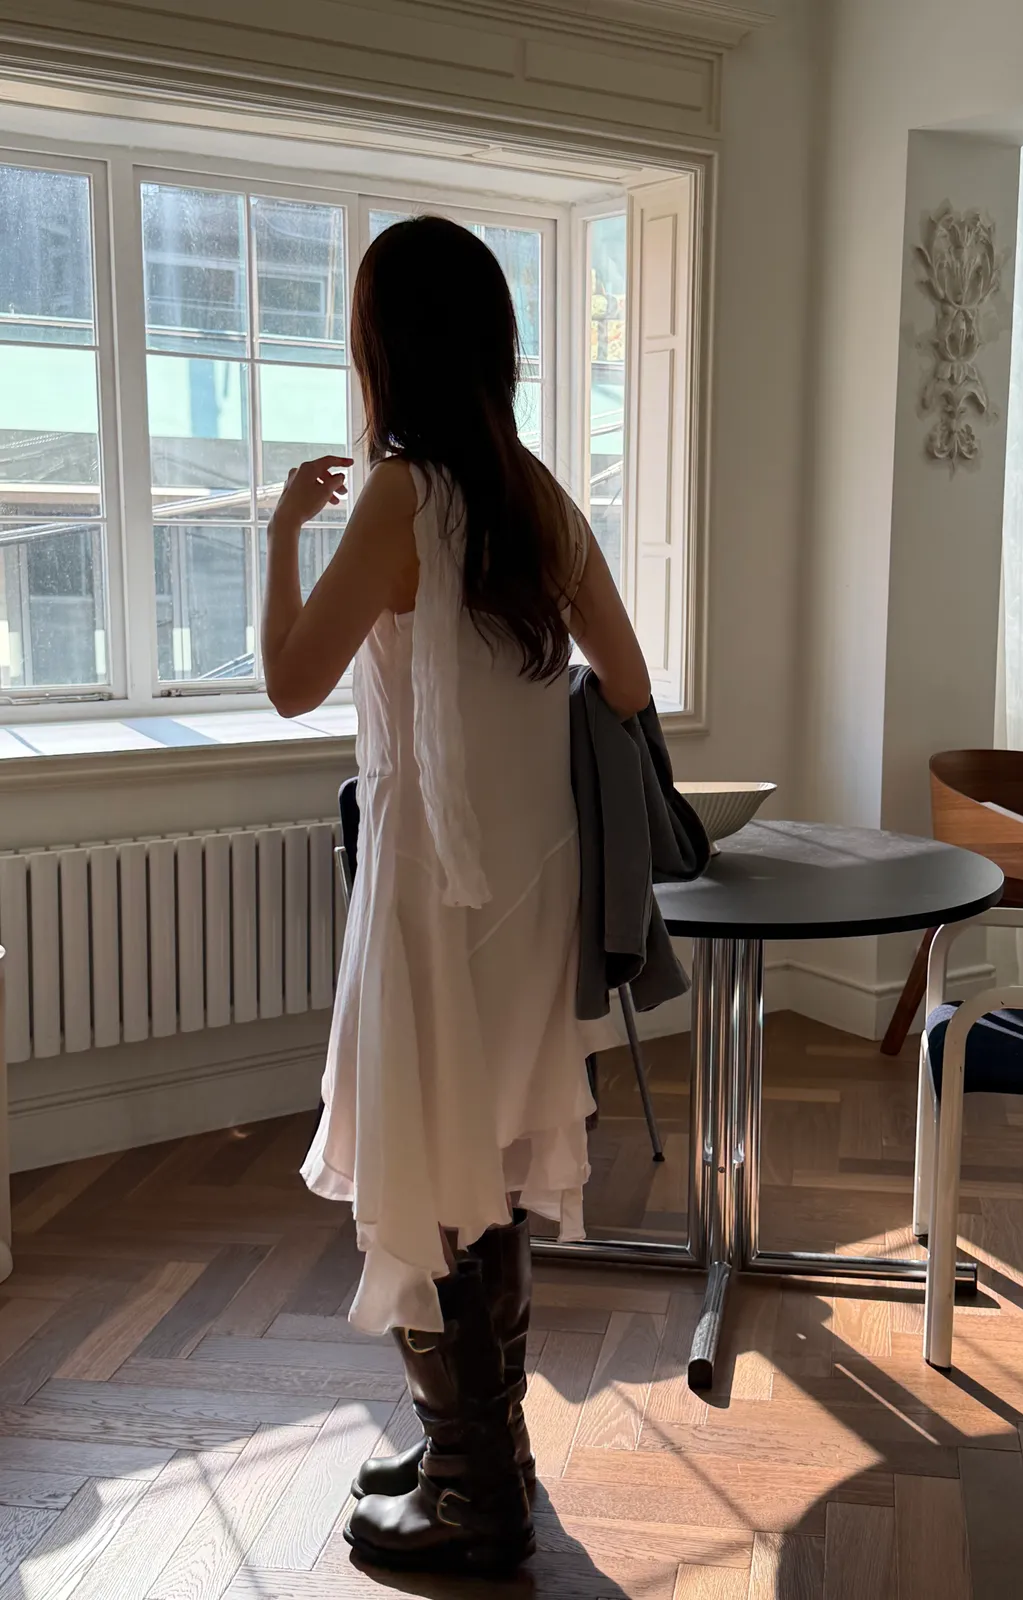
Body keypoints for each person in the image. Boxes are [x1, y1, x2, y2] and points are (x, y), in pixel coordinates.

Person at [261, 214, 651, 1576]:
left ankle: (479, 1495)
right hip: (532, 892)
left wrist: (279, 534)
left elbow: (290, 684)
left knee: (428, 1164)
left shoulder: (398, 496)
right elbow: (630, 681)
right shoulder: (533, 492)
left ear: (386, 348)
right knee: (482, 1160)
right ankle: (480, 1448)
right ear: (492, 344)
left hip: (431, 888)